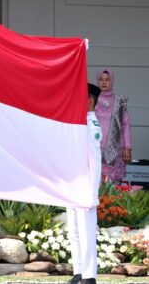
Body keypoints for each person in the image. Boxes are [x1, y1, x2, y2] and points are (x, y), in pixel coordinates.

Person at [67, 83, 103, 284]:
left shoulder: (91, 125)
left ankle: (90, 275)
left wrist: (92, 192)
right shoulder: (79, 123)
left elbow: (95, 160)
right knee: (74, 230)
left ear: (89, 101)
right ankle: (79, 269)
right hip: (73, 185)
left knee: (86, 232)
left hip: (85, 187)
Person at [95, 69, 132, 183]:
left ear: (112, 81)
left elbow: (126, 125)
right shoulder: (92, 100)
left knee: (112, 187)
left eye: (107, 79)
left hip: (115, 149)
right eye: (101, 79)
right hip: (95, 147)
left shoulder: (119, 102)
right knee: (95, 181)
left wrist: (128, 147)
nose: (104, 82)